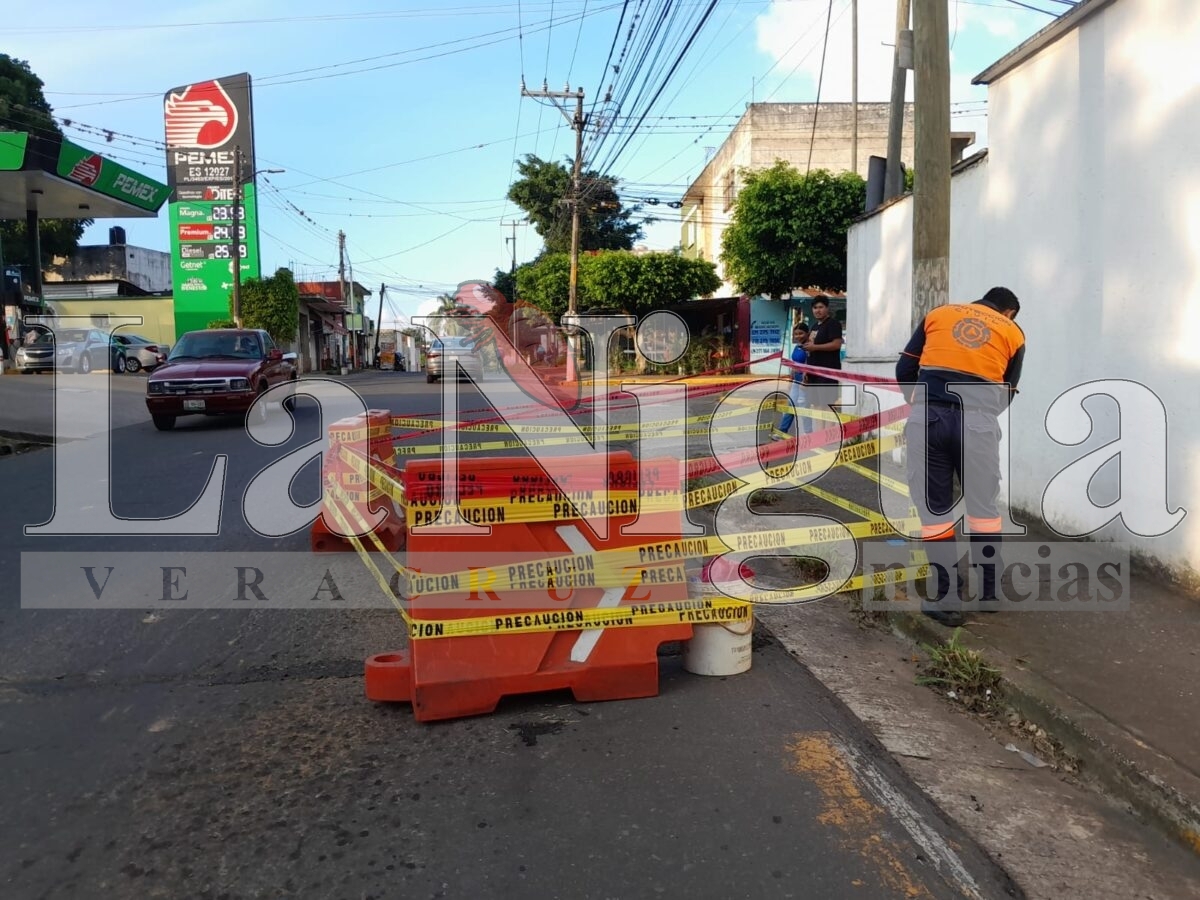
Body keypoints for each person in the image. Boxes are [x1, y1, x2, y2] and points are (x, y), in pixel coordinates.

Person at [895, 286, 1025, 626]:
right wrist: (981, 414)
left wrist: (921, 403)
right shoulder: (1013, 332)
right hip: (979, 423)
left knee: (935, 511)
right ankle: (989, 593)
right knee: (984, 511)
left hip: (930, 416)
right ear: (1008, 312)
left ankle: (948, 599)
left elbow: (904, 370)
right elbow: (1007, 390)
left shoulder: (938, 314)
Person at [801, 295, 843, 423]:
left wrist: (816, 347)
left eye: (820, 307)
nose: (817, 310)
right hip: (813, 372)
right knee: (817, 404)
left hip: (827, 371)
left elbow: (837, 344)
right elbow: (810, 348)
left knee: (828, 404)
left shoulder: (833, 324)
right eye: (815, 308)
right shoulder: (814, 326)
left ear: (827, 308)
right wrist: (806, 370)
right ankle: (819, 436)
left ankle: (830, 436)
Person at [774, 322, 812, 439]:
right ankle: (782, 431)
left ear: (807, 333)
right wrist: (791, 375)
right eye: (796, 334)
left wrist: (805, 380)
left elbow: (809, 363)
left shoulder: (809, 347)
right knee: (790, 405)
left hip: (805, 381)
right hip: (796, 379)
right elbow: (794, 362)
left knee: (803, 407)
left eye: (801, 333)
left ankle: (808, 433)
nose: (798, 336)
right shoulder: (797, 346)